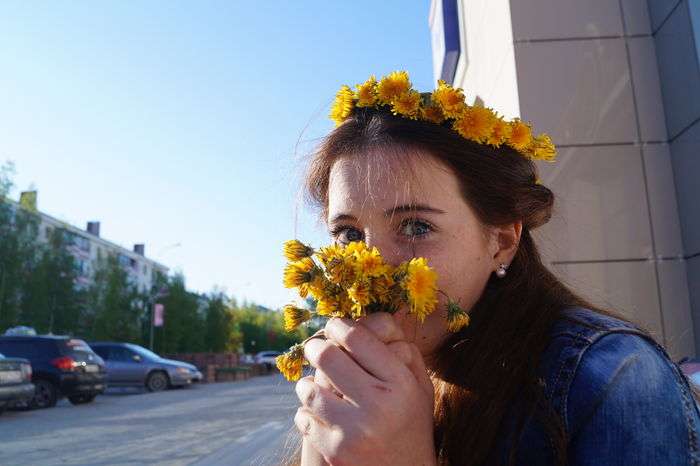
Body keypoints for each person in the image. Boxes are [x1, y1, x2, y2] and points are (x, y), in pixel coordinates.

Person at [290, 71, 700, 465]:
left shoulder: (610, 376)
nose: (371, 268)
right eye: (347, 235)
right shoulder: (352, 386)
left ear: (502, 242)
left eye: (416, 226)